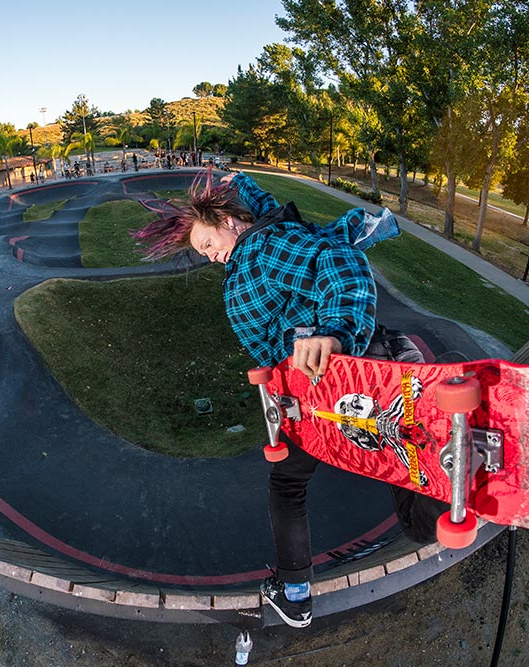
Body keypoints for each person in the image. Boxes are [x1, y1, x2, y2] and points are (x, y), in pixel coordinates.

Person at [134, 170, 440, 629]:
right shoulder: (256, 246)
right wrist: (239, 179)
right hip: (321, 399)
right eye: (203, 254)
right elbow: (264, 205)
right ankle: (295, 593)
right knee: (414, 515)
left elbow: (337, 262)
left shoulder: (262, 247)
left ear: (229, 221)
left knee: (294, 485)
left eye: (207, 244)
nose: (210, 256)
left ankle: (297, 591)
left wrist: (334, 331)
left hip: (370, 369)